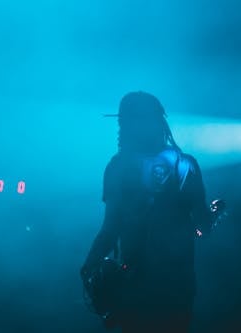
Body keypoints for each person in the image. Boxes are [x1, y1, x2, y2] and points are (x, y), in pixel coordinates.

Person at [80, 91, 216, 333]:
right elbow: (202, 227)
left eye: (123, 122)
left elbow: (110, 228)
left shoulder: (117, 166)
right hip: (176, 289)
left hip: (133, 288)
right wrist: (211, 217)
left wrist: (90, 264)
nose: (121, 128)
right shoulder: (184, 164)